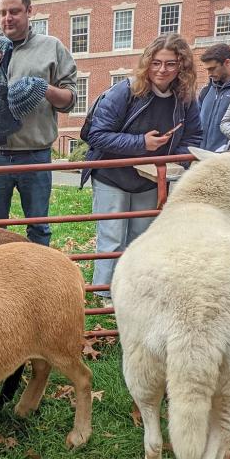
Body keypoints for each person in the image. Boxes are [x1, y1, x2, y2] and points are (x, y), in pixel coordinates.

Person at [81, 34, 203, 300]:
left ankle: (133, 293)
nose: (162, 70)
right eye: (156, 63)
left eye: (170, 64)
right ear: (147, 63)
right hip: (112, 175)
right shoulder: (124, 92)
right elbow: (97, 135)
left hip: (152, 177)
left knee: (141, 237)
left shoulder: (186, 98)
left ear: (181, 66)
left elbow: (195, 137)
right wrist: (141, 144)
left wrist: (171, 162)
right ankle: (105, 295)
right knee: (112, 237)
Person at [0, 0, 77, 246]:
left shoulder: (51, 48)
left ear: (29, 11)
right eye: (2, 13)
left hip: (35, 155)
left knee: (38, 229)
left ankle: (38, 282)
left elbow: (70, 100)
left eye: (14, 11)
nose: (7, 18)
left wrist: (43, 88)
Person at [198, 43, 230, 151]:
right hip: (201, 157)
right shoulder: (206, 90)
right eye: (207, 69)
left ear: (227, 62)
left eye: (212, 68)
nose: (209, 74)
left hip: (229, 158)